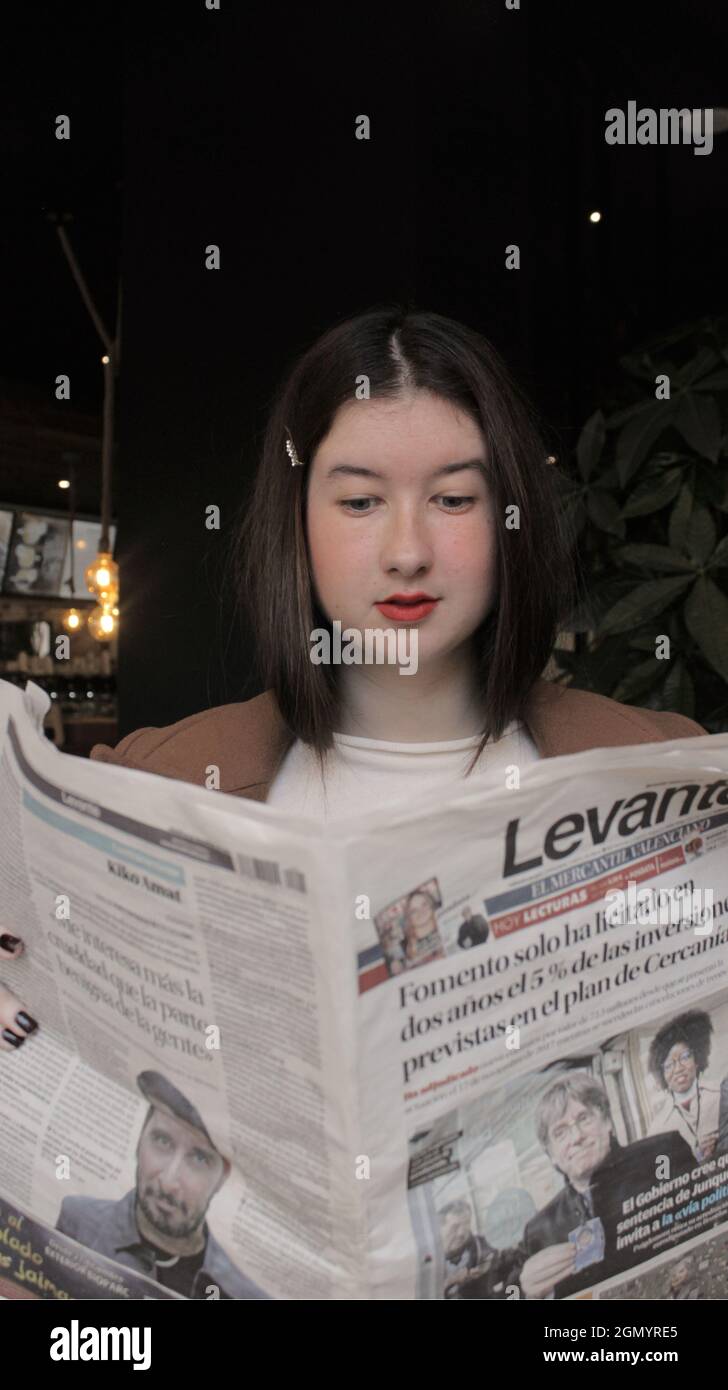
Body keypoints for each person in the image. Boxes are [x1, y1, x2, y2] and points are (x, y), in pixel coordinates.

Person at [0, 310, 707, 1070]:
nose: (408, 552)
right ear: (297, 522)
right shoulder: (150, 782)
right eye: (361, 502)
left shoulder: (666, 767)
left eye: (455, 499)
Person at [56, 1071, 269, 1300]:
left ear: (223, 1177)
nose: (168, 1183)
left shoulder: (242, 1292)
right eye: (162, 1141)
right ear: (139, 1141)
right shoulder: (77, 1220)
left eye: (199, 1158)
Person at [515, 1070, 694, 1300]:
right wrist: (525, 1293)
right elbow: (510, 1295)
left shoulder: (664, 1153)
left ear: (607, 1121)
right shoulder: (538, 1230)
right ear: (551, 1154)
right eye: (560, 1133)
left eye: (584, 1119)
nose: (576, 1137)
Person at [646, 1010, 721, 1162]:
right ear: (662, 1074)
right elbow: (662, 1175)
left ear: (697, 1059)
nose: (678, 1069)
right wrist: (694, 1157)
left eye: (685, 1057)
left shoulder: (722, 1093)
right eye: (668, 1065)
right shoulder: (657, 1128)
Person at [438, 1198, 514, 1300]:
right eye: (455, 1227)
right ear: (439, 1229)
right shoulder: (428, 1262)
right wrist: (450, 1282)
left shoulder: (487, 1247)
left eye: (466, 1224)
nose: (461, 1233)